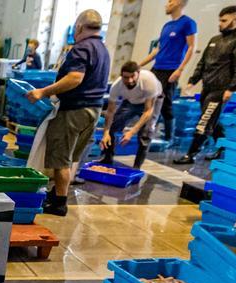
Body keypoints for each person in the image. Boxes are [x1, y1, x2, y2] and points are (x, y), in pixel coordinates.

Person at [25, 10, 110, 217]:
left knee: (61, 158)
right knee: (71, 157)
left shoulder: (82, 48)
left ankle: (59, 203)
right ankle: (57, 194)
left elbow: (74, 78)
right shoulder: (103, 49)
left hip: (75, 110)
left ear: (79, 27)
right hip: (94, 110)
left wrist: (43, 92)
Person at [174, 5, 236, 164]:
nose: (221, 23)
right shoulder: (215, 40)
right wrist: (192, 80)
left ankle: (191, 154)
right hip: (207, 86)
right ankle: (224, 147)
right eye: (220, 20)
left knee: (204, 120)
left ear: (235, 20)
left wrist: (231, 88)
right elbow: (203, 62)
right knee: (211, 120)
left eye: (224, 20)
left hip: (221, 89)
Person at [139, 0, 197, 142]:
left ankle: (169, 137)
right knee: (148, 98)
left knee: (165, 103)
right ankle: (147, 129)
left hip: (171, 69)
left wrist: (179, 70)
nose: (167, 4)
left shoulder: (188, 23)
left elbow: (191, 47)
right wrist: (139, 65)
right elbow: (158, 49)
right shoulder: (167, 25)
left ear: (178, 3)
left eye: (170, 1)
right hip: (157, 68)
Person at [100, 61, 162, 169]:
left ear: (138, 73)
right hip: (131, 100)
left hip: (152, 101)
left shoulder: (148, 81)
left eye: (132, 76)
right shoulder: (116, 86)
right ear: (121, 76)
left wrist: (131, 132)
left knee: (145, 133)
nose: (129, 80)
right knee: (112, 127)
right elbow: (110, 112)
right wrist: (106, 132)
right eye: (126, 77)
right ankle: (107, 158)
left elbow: (148, 111)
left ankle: (137, 166)